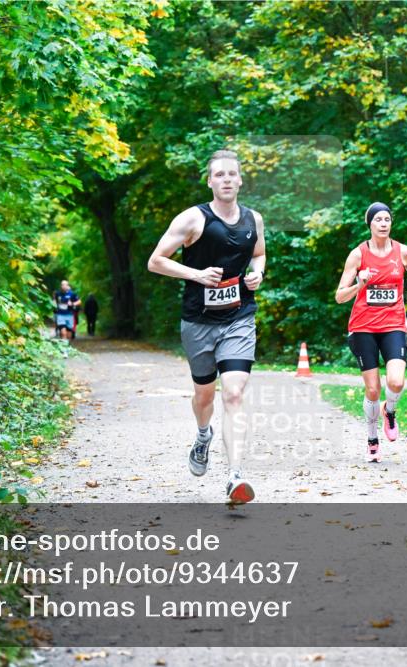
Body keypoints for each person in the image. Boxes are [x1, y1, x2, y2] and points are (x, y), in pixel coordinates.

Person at [147, 149, 266, 504]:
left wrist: (257, 273)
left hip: (239, 318)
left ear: (240, 180)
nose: (226, 179)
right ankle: (203, 435)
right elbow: (156, 261)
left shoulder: (253, 220)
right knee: (204, 395)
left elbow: (258, 254)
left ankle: (235, 477)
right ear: (210, 181)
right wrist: (196, 274)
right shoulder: (192, 219)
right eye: (219, 175)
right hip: (198, 322)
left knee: (233, 393)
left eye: (232, 174)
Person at [335, 202, 407, 462]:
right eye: (378, 220)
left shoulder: (403, 252)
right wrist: (360, 284)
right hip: (363, 327)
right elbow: (340, 296)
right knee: (373, 390)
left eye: (387, 219)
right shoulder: (357, 255)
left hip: (394, 324)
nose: (383, 224)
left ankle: (390, 410)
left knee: (396, 382)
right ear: (370, 224)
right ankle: (372, 439)